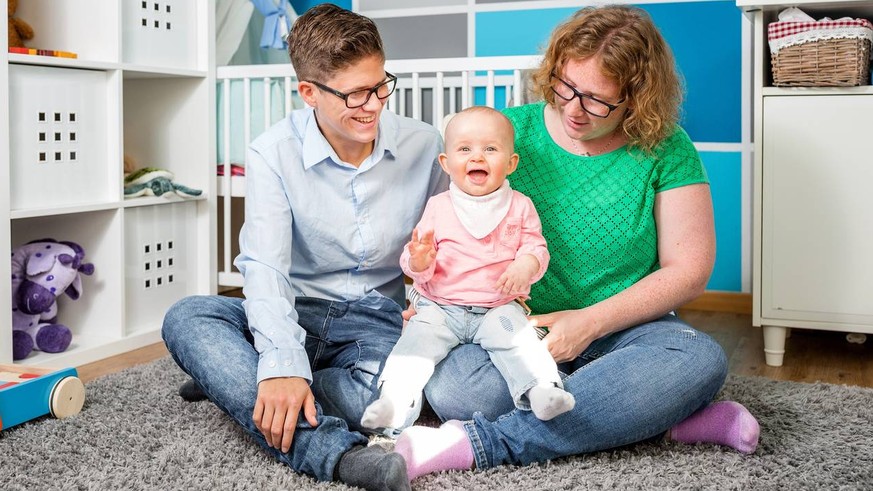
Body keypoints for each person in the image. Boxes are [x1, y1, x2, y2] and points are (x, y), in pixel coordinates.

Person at [392, 5, 761, 480]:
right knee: (458, 391)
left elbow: (688, 270)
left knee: (697, 359)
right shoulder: (505, 134)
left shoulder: (667, 148)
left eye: (596, 100)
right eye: (565, 88)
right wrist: (426, 298)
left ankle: (482, 444)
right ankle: (658, 419)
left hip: (625, 330)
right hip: (512, 328)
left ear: (637, 98)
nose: (572, 108)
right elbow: (448, 235)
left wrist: (589, 322)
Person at [161, 4, 447, 490]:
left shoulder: (424, 144)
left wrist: (428, 309)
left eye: (380, 86)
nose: (374, 104)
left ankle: (233, 384)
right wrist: (280, 363)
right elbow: (265, 268)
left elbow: (445, 243)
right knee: (187, 317)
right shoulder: (272, 151)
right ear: (309, 92)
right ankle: (339, 458)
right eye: (355, 93)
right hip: (295, 310)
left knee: (398, 399)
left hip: (376, 321)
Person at [361, 107, 575, 431]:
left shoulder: (519, 206)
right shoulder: (439, 205)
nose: (478, 157)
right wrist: (418, 260)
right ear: (447, 163)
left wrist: (525, 265)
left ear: (511, 163)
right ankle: (393, 404)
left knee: (519, 343)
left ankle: (542, 390)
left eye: (490, 148)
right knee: (414, 348)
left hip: (497, 307)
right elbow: (415, 259)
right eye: (465, 149)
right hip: (440, 308)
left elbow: (536, 248)